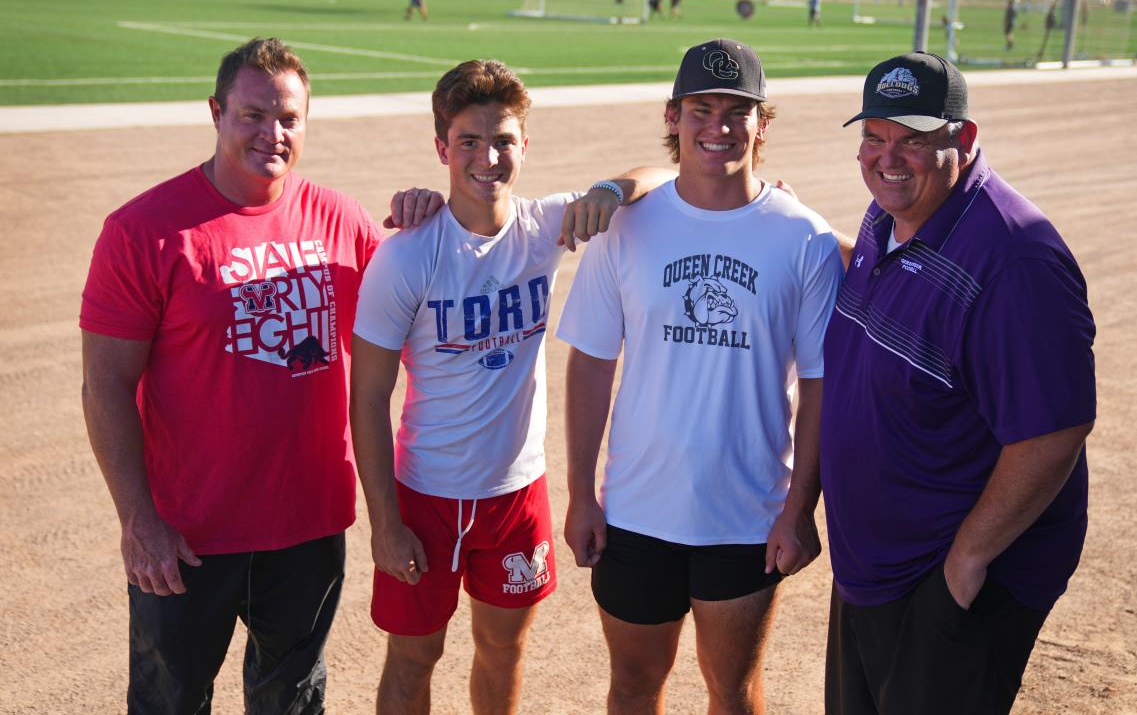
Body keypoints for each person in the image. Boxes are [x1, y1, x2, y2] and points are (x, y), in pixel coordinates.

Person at [349, 59, 671, 715]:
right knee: (413, 656)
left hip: (515, 495)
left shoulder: (546, 227)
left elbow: (660, 175)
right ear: (442, 147)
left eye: (503, 140)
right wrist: (385, 522)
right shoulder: (406, 255)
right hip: (424, 496)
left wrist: (609, 188)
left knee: (505, 650)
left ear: (525, 145)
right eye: (468, 140)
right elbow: (366, 398)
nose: (487, 157)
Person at [80, 38, 389, 713]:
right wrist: (139, 520)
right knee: (171, 699)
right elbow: (104, 384)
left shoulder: (343, 219)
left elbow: (418, 289)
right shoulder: (143, 231)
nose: (271, 134)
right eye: (252, 115)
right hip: (187, 534)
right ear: (216, 112)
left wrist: (426, 208)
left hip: (308, 526)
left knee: (293, 699)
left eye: (288, 118)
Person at [557, 39, 844, 714]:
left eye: (737, 111)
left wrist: (799, 506)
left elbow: (823, 385)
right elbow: (592, 363)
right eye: (701, 108)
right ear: (673, 115)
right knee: (632, 686)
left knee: (734, 690)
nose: (718, 125)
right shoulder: (625, 228)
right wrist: (579, 493)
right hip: (635, 510)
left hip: (746, 514)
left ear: (763, 122)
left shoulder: (802, 237)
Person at [820, 51, 1096, 715]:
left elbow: (1055, 431)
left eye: (914, 139)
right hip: (878, 565)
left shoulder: (1015, 259)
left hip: (949, 579)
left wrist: (963, 568)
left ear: (963, 139)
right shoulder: (887, 217)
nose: (888, 157)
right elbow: (898, 291)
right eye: (875, 136)